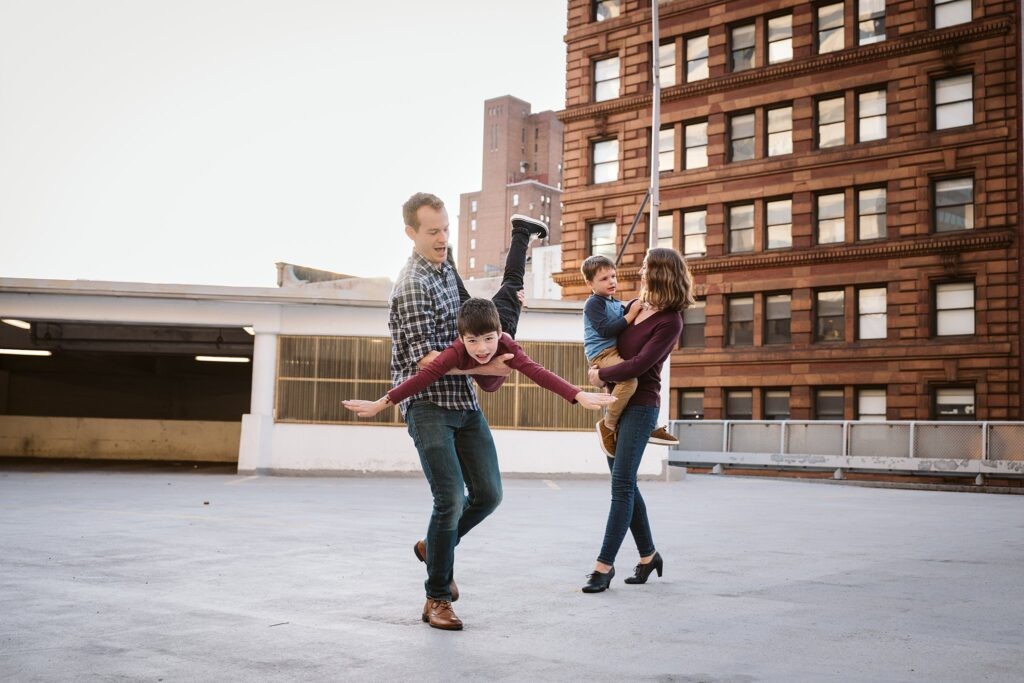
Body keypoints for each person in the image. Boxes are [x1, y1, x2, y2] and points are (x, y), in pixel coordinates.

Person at [356, 192, 541, 632]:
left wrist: (495, 325)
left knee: (490, 495)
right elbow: (427, 362)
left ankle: (434, 547)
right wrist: (491, 365)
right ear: (410, 234)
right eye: (432, 232)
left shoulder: (444, 268)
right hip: (428, 406)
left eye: (445, 229)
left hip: (464, 403)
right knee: (450, 499)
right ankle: (436, 598)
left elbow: (467, 319)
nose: (442, 239)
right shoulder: (412, 287)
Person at [580, 247, 694, 594]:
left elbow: (641, 364)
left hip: (641, 405)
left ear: (661, 273)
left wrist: (601, 375)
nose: (640, 273)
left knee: (622, 486)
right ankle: (648, 556)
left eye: (646, 267)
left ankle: (603, 567)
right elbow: (603, 331)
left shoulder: (670, 321)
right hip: (616, 400)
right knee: (625, 481)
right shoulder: (635, 306)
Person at [342, 297, 614, 415]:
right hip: (474, 365)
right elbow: (422, 378)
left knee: (508, 303)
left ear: (498, 333)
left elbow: (538, 372)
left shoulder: (507, 346)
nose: (482, 349)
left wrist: (577, 394)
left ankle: (513, 303)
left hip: (494, 378)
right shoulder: (455, 352)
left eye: (488, 339)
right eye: (472, 341)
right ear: (461, 339)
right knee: (468, 349)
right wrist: (380, 403)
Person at [581, 254, 680, 457]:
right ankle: (608, 425)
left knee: (622, 481)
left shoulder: (618, 303)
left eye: (613, 276)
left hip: (640, 395)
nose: (612, 282)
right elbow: (607, 330)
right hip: (602, 354)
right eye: (604, 279)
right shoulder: (594, 304)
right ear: (589, 283)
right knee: (629, 382)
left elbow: (640, 358)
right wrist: (630, 315)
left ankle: (650, 425)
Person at [448, 213, 547, 339]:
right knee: (461, 298)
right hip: (479, 328)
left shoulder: (505, 349)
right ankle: (446, 260)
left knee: (513, 281)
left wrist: (514, 307)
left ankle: (522, 232)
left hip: (498, 328)